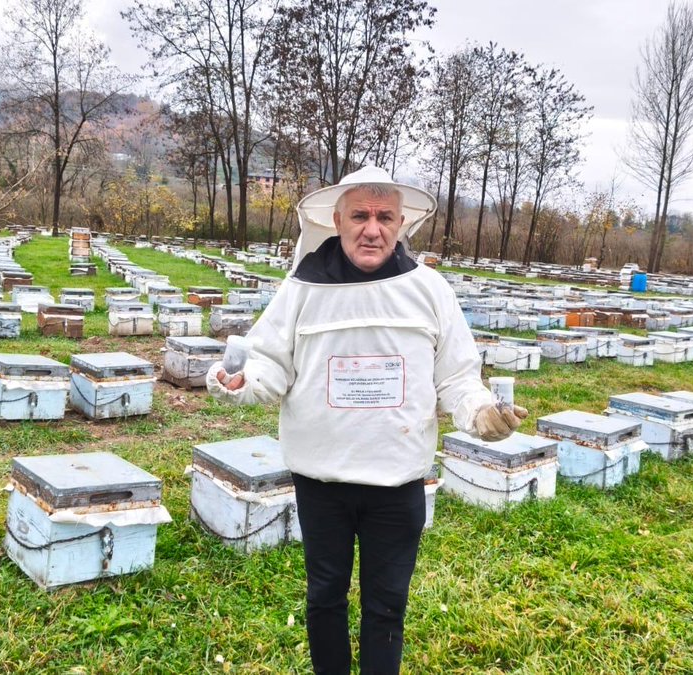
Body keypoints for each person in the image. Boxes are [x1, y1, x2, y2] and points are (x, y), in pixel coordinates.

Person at [205, 166, 526, 674]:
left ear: (400, 225)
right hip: (321, 481)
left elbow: (458, 377)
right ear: (337, 220)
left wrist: (482, 413)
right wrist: (243, 381)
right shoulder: (302, 287)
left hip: (397, 485)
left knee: (387, 604)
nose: (371, 228)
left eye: (383, 216)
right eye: (359, 215)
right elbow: (269, 362)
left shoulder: (430, 290)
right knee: (325, 596)